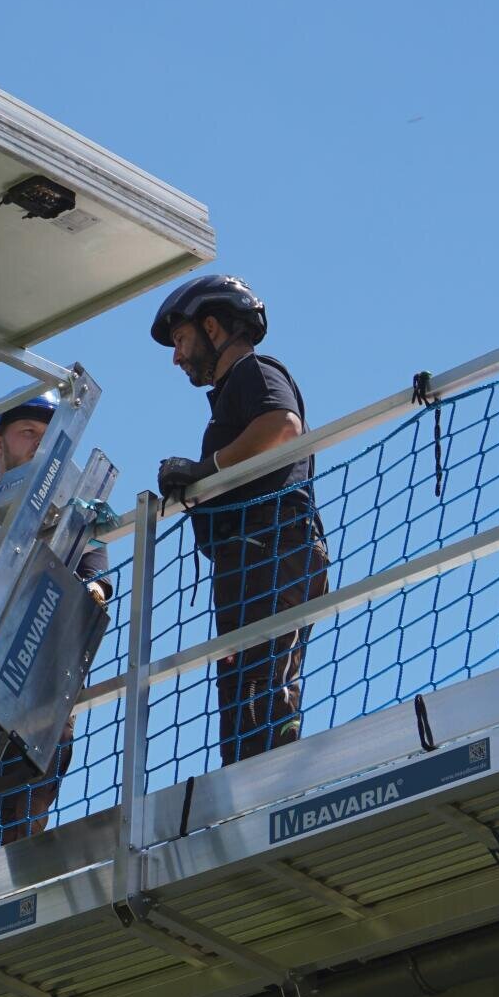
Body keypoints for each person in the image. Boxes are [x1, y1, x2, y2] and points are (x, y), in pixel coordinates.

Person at [151, 275, 330, 765]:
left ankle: (267, 786)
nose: (177, 356)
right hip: (252, 561)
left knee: (259, 686)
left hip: (271, 550)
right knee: (245, 690)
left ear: (213, 327)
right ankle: (248, 785)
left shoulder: (255, 372)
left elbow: (282, 425)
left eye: (182, 340)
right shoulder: (231, 395)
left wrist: (205, 469)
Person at [0, 391, 112, 864]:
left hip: (37, 677)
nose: (38, 445)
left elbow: (95, 584)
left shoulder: (69, 516)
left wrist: (86, 595)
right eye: (28, 433)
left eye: (48, 437)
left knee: (23, 809)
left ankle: (2, 891)